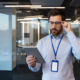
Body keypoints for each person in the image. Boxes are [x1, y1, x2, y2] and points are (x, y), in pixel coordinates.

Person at [26, 8, 80, 80]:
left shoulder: (72, 39)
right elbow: (36, 68)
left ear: (63, 23)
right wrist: (32, 64)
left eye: (57, 23)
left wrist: (70, 32)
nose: (53, 26)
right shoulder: (42, 42)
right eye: (51, 22)